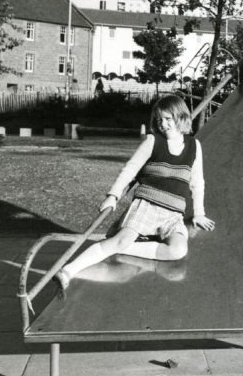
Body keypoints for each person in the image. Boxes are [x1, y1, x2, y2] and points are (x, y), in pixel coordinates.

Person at [55, 95, 214, 289]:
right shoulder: (153, 141)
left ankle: (121, 247)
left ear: (181, 117)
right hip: (147, 206)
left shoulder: (194, 147)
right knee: (119, 240)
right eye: (159, 119)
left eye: (167, 119)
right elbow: (130, 170)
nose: (162, 124)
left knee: (178, 250)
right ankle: (67, 271)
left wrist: (199, 213)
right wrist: (112, 196)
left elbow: (198, 182)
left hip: (173, 214)